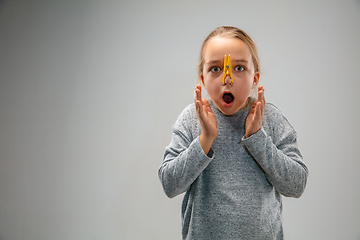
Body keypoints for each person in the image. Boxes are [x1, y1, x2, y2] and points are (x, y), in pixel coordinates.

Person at [158, 26, 308, 240]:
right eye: (215, 69)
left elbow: (297, 184)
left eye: (238, 68)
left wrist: (257, 138)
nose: (227, 79)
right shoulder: (192, 119)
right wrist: (204, 140)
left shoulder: (270, 118)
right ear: (202, 78)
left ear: (255, 79)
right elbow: (169, 184)